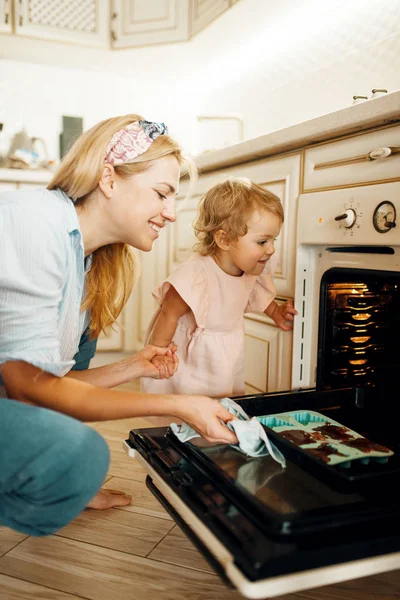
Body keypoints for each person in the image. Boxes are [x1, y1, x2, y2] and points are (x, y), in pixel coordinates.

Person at [0, 115, 238, 537]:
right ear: (109, 178)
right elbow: (27, 387)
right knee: (81, 455)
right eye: (162, 194)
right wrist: (179, 404)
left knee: (81, 351)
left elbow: (52, 380)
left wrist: (134, 368)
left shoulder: (87, 260)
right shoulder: (36, 222)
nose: (170, 214)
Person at [142, 177, 298, 399]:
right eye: (263, 242)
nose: (271, 249)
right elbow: (168, 314)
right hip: (194, 357)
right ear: (224, 239)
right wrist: (158, 353)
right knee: (190, 406)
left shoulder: (252, 266)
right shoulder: (196, 276)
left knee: (224, 400)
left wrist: (276, 313)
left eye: (274, 240)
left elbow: (254, 291)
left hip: (227, 351)